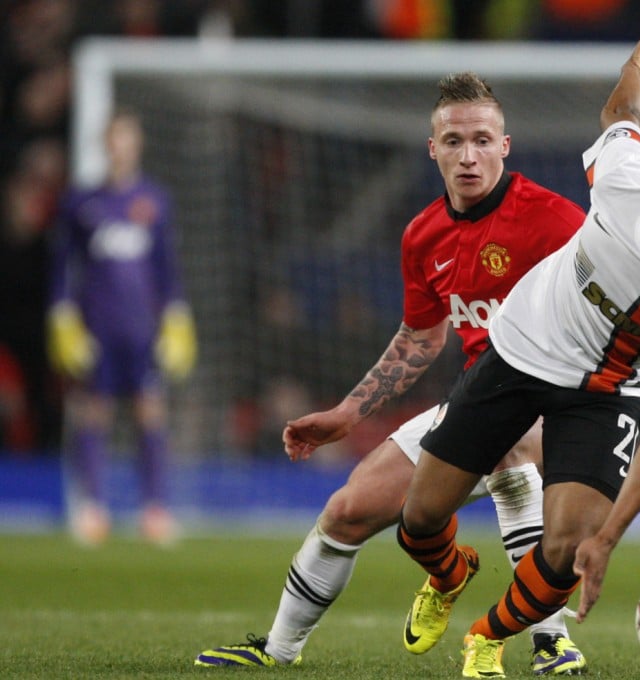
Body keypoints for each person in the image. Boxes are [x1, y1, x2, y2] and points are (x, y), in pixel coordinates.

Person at [195, 72, 590, 675]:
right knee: (347, 511)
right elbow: (420, 338)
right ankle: (279, 649)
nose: (468, 155)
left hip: (556, 402)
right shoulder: (423, 235)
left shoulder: (556, 222)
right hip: (479, 401)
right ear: (432, 149)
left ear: (505, 146)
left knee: (511, 447)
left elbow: (609, 311)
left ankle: (551, 642)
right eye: (454, 141)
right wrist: (345, 414)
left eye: (482, 140)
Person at [396, 11, 640, 678]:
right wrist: (636, 65)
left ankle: (487, 638)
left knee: (568, 546)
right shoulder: (622, 180)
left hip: (607, 391)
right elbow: (621, 110)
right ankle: (449, 576)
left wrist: (611, 536)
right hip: (523, 351)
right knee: (417, 522)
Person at [47, 109, 197, 546]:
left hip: (142, 327)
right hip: (97, 326)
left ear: (137, 145)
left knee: (150, 410)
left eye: (128, 140)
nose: (121, 148)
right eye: (114, 140)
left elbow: (166, 268)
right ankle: (91, 508)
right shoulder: (81, 202)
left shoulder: (155, 200)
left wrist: (177, 315)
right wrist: (61, 315)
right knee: (93, 411)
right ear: (105, 144)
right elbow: (63, 266)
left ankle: (155, 509)